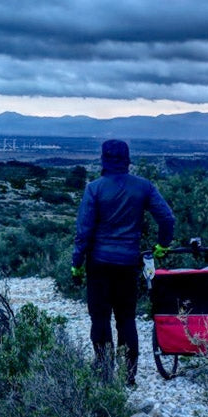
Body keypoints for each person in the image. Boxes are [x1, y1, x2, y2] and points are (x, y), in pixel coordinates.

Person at [71, 139, 175, 386]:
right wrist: (162, 245)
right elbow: (167, 219)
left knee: (100, 318)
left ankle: (104, 371)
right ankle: (128, 375)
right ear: (127, 159)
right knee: (126, 318)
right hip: (128, 263)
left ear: (103, 159)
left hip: (99, 263)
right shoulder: (143, 187)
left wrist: (77, 263)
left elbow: (83, 231)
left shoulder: (94, 189)